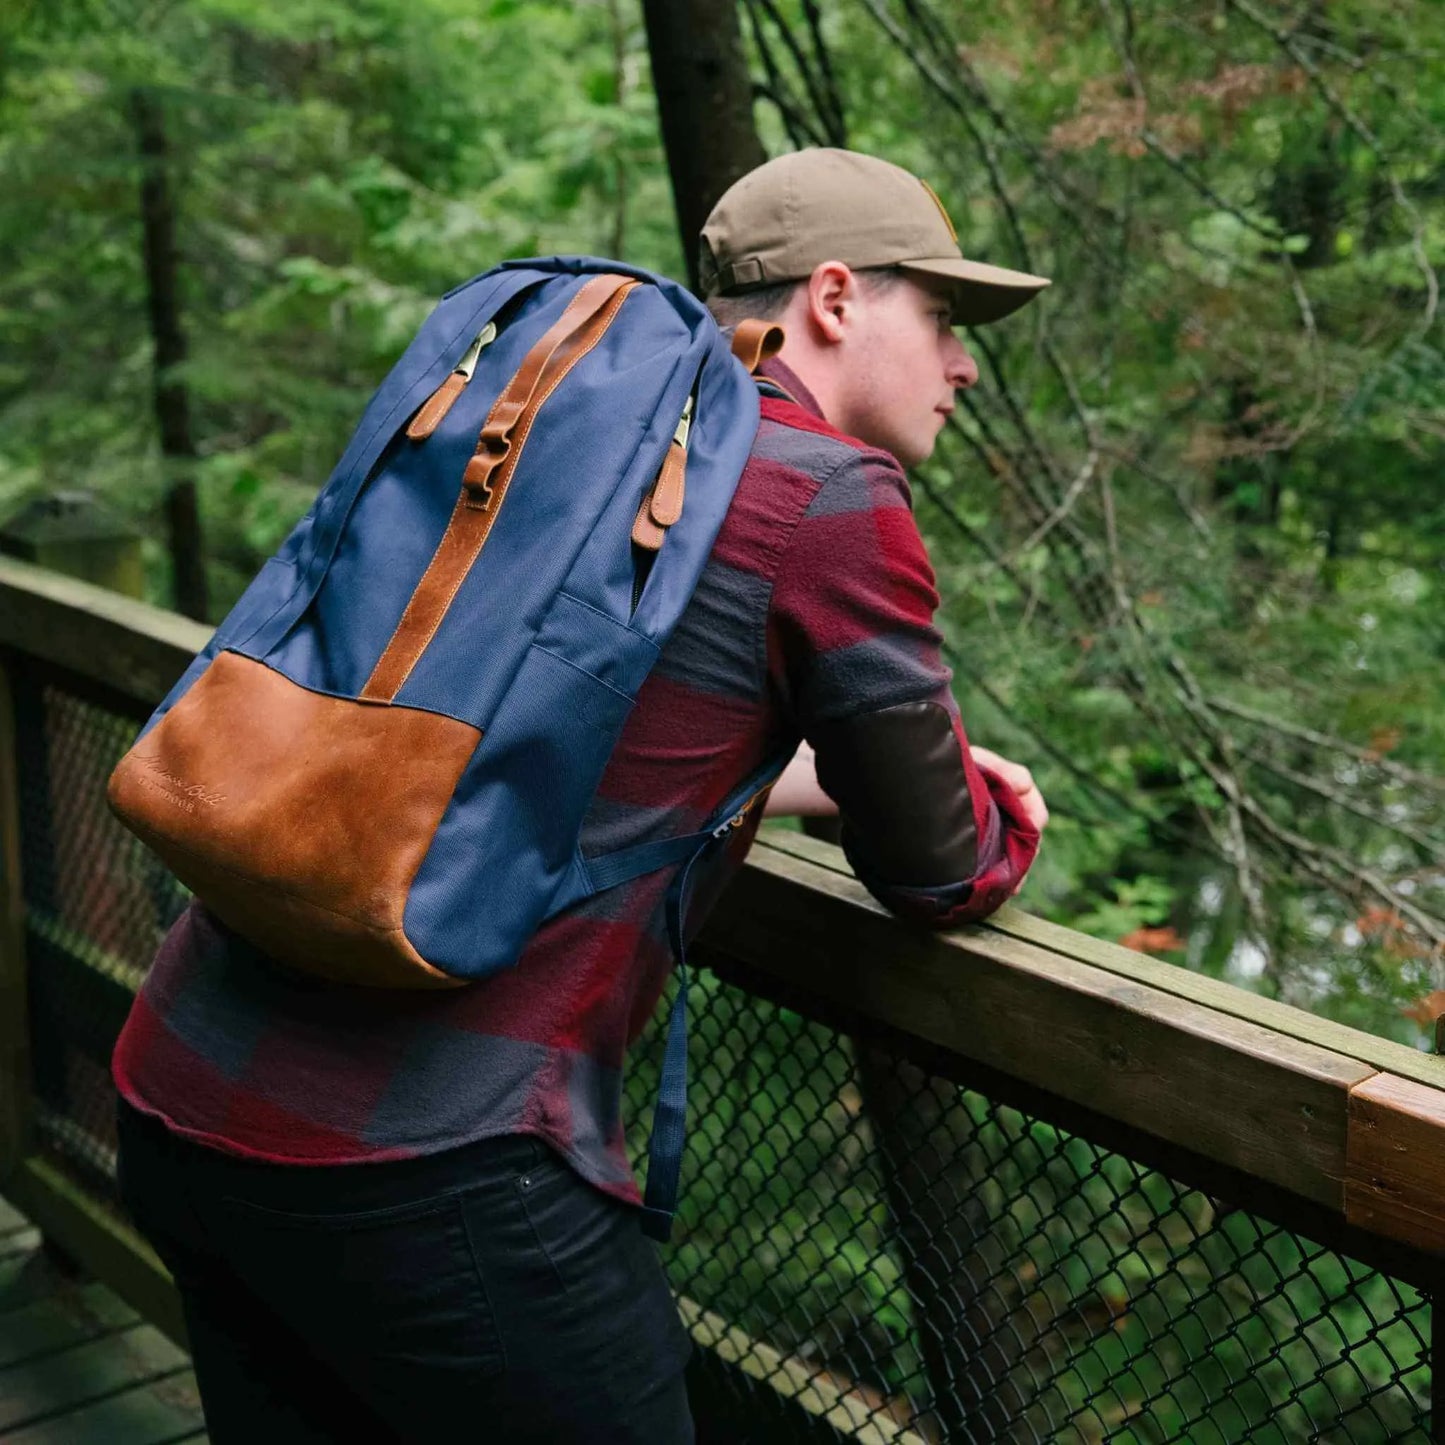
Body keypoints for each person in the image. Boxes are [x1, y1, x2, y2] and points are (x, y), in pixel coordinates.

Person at [111, 147, 1051, 1445]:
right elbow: (941, 869)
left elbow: (533, 723)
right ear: (834, 298)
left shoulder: (569, 433)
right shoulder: (822, 491)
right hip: (431, 1167)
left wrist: (778, 782)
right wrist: (1000, 819)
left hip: (183, 1085)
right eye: (943, 321)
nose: (960, 367)